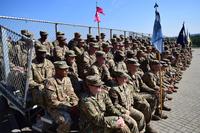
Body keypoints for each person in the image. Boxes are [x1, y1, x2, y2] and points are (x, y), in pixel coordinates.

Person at [44, 61, 79, 133]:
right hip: (54, 109)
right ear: (57, 70)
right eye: (64, 69)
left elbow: (72, 94)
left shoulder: (67, 79)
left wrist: (75, 102)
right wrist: (69, 107)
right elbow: (52, 102)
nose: (67, 70)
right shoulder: (50, 82)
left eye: (67, 69)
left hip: (68, 105)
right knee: (66, 119)